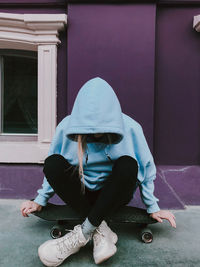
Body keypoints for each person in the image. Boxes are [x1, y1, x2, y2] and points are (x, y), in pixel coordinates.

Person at [20, 77, 176, 267]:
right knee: (52, 163)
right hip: (81, 193)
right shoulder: (66, 127)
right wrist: (39, 200)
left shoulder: (132, 128)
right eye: (90, 133)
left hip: (114, 194)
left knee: (129, 164)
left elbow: (146, 168)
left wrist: (153, 206)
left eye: (101, 132)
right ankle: (100, 230)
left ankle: (81, 234)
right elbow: (53, 167)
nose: (95, 136)